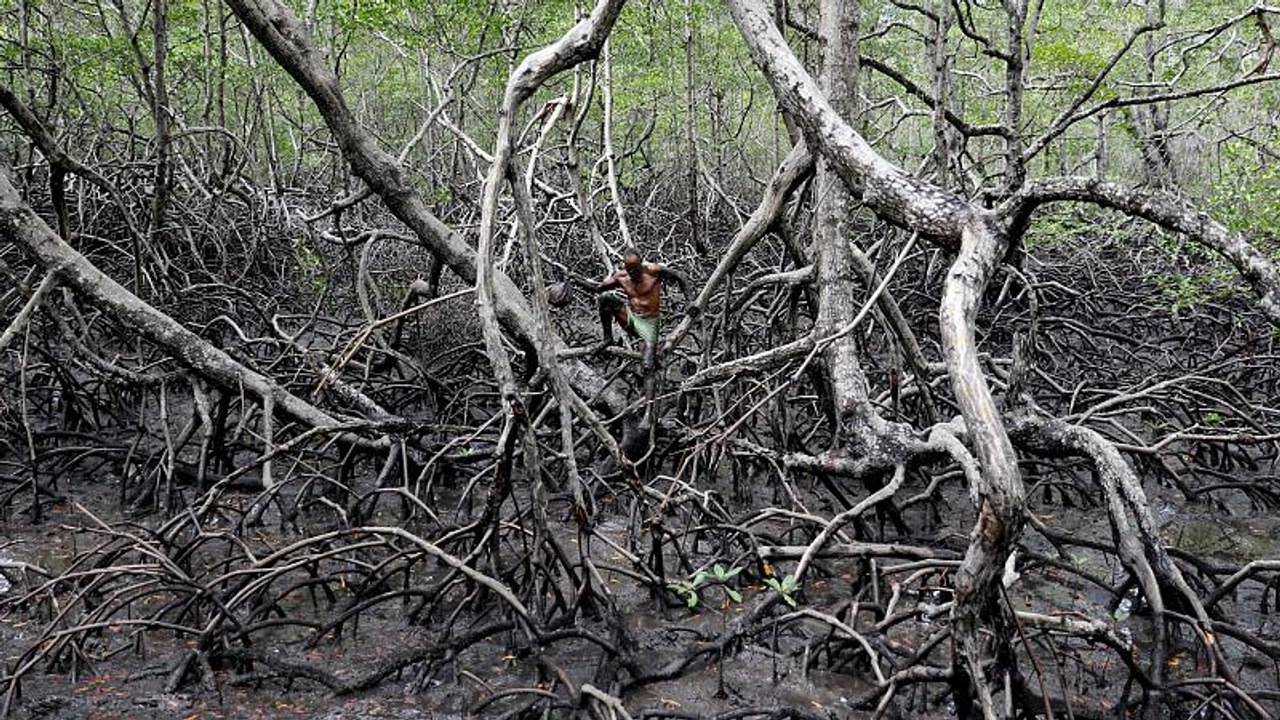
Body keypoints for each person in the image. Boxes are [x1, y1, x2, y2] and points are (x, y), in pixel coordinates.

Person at [595, 246, 692, 372]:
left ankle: (650, 375)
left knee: (647, 364)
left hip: (650, 323)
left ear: (641, 263)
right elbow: (598, 288)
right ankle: (607, 338)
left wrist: (689, 301)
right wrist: (574, 278)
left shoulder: (652, 271)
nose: (632, 272)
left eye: (636, 268)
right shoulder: (622, 276)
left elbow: (680, 276)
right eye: (629, 268)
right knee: (605, 299)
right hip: (631, 319)